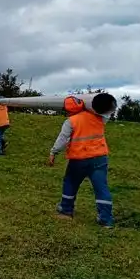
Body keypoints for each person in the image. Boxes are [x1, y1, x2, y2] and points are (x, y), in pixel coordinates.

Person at [48, 94, 116, 229]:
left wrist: (53, 152)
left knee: (70, 183)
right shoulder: (100, 117)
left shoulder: (71, 121)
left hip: (79, 159)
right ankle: (106, 219)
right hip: (99, 158)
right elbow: (107, 111)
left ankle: (66, 211)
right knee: (101, 187)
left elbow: (62, 139)